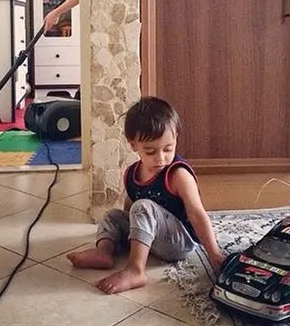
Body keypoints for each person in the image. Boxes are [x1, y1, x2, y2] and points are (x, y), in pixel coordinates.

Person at [67, 96, 226, 294]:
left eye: (168, 149)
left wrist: (214, 253)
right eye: (150, 152)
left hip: (178, 242)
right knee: (113, 216)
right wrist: (126, 233)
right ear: (133, 144)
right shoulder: (132, 172)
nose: (161, 158)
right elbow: (130, 205)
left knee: (143, 206)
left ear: (176, 136)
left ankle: (136, 269)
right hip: (154, 236)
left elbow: (197, 213)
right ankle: (104, 252)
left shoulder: (177, 175)